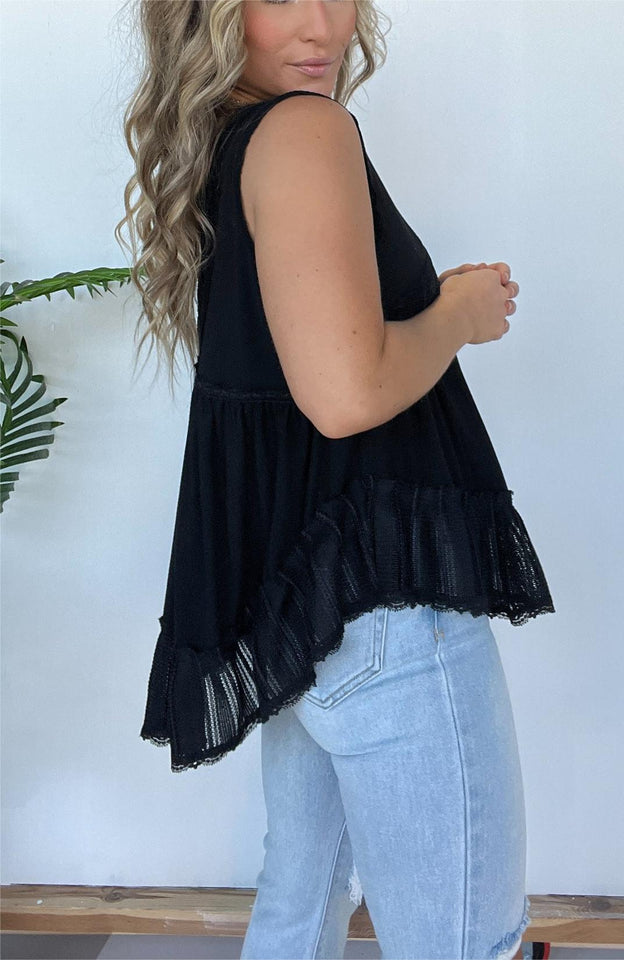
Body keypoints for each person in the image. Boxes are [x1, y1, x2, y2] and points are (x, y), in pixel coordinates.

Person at [116, 1, 555, 957]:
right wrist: (458, 313)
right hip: (386, 608)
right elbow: (346, 396)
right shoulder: (305, 132)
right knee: (465, 940)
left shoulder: (230, 136)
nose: (321, 26)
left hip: (306, 608)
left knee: (301, 903)